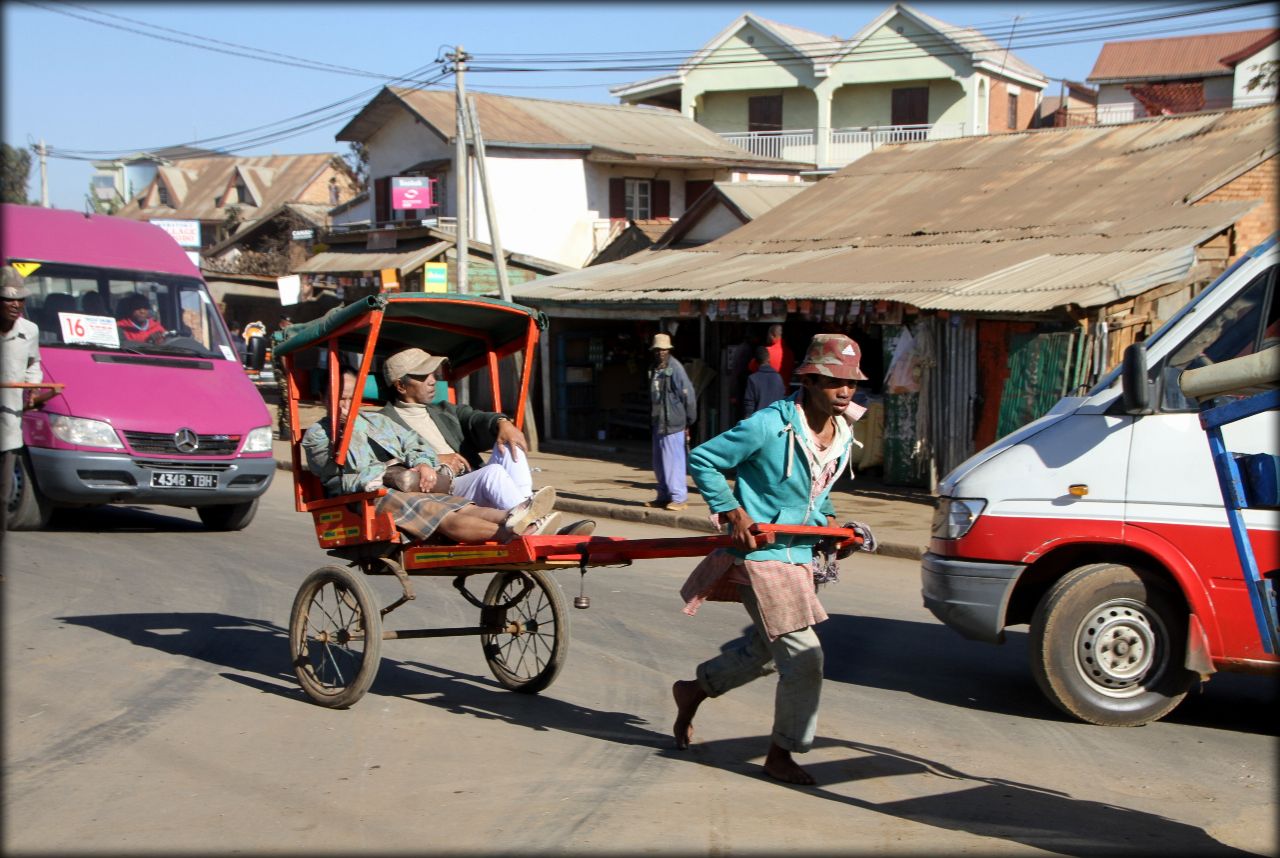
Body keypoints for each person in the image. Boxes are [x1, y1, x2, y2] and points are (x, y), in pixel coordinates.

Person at [671, 333, 874, 786]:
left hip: (798, 553)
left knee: (768, 652)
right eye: (833, 382)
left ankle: (694, 689)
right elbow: (703, 459)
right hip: (761, 557)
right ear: (809, 380)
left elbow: (815, 494)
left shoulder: (842, 429)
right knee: (804, 657)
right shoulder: (770, 425)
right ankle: (781, 754)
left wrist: (835, 528)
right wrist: (732, 510)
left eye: (851, 384)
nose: (845, 392)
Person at [302, 368, 560, 544]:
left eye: (351, 397)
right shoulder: (318, 435)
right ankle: (516, 536)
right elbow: (338, 475)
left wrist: (424, 465)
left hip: (411, 484)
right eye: (339, 399)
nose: (346, 406)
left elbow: (414, 443)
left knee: (467, 507)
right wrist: (346, 434)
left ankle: (524, 520)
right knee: (444, 516)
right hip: (370, 494)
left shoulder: (377, 421)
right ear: (324, 398)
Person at [378, 347, 594, 536]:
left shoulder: (444, 410)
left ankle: (530, 514)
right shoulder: (382, 422)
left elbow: (476, 418)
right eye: (423, 376)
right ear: (401, 386)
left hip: (469, 478)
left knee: (510, 446)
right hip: (440, 491)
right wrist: (435, 459)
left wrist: (503, 423)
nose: (433, 380)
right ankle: (535, 524)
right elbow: (386, 468)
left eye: (433, 374)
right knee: (493, 474)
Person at [1, 267, 54, 537]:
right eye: (8, 299)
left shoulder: (29, 331)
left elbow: (34, 363)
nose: (15, 305)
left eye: (20, 300)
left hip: (9, 420)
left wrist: (32, 389)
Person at [647, 332, 696, 511]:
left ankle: (679, 498)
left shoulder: (676, 369)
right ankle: (663, 495)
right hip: (658, 421)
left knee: (673, 461)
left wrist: (689, 419)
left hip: (673, 423)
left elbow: (688, 396)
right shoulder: (654, 368)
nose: (660, 353)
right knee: (659, 463)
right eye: (658, 350)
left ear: (669, 350)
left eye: (663, 350)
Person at [742, 345, 787, 418]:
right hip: (775, 421)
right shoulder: (778, 378)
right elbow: (783, 401)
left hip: (759, 422)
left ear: (755, 361)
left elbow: (749, 405)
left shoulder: (752, 379)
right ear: (769, 359)